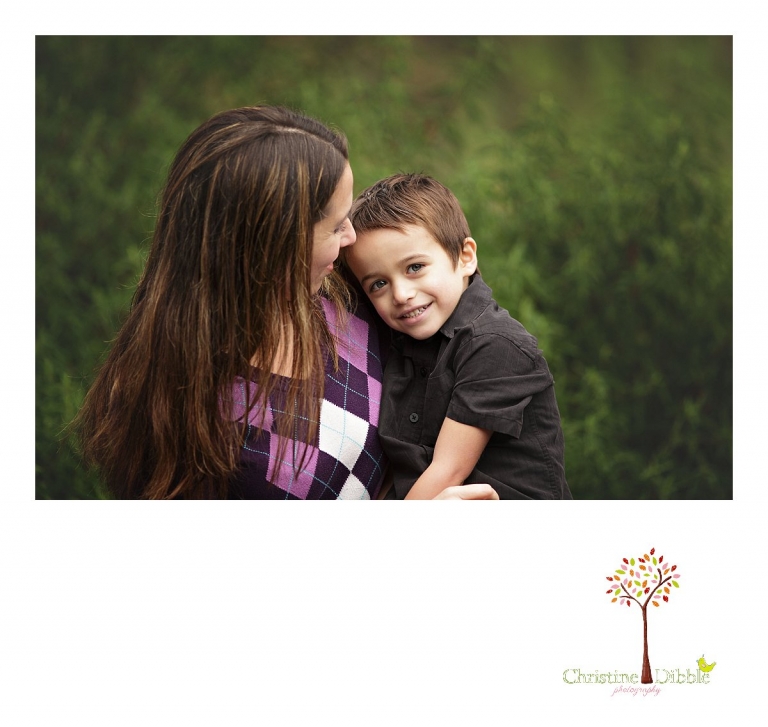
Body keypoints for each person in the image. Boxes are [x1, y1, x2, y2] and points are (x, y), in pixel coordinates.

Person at [72, 105, 498, 500]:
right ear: (271, 246)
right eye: (334, 227)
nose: (351, 238)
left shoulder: (351, 300)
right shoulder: (181, 408)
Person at [342, 173, 572, 500]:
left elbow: (448, 470)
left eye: (414, 267)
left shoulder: (495, 343)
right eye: (378, 284)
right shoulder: (399, 344)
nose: (401, 294)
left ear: (465, 257)